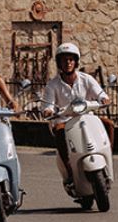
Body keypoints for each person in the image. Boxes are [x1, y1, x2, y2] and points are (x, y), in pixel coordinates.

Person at [42, 42, 114, 195]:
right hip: (65, 121)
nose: (68, 63)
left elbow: (99, 93)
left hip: (87, 118)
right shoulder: (53, 85)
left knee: (109, 124)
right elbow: (47, 104)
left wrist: (104, 99)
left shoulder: (86, 79)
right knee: (59, 131)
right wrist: (48, 110)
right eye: (64, 60)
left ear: (76, 62)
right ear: (59, 63)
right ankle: (69, 170)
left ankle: (107, 154)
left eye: (71, 59)